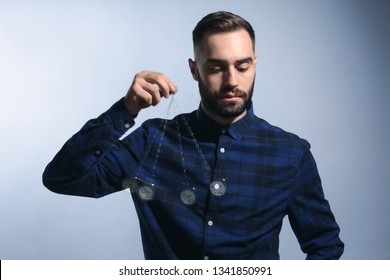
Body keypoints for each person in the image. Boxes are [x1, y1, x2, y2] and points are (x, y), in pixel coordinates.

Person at [42, 11, 344, 260]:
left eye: (243, 66)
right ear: (194, 69)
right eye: (216, 68)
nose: (232, 81)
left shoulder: (291, 153)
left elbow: (325, 245)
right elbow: (63, 179)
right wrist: (126, 108)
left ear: (255, 65)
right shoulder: (153, 141)